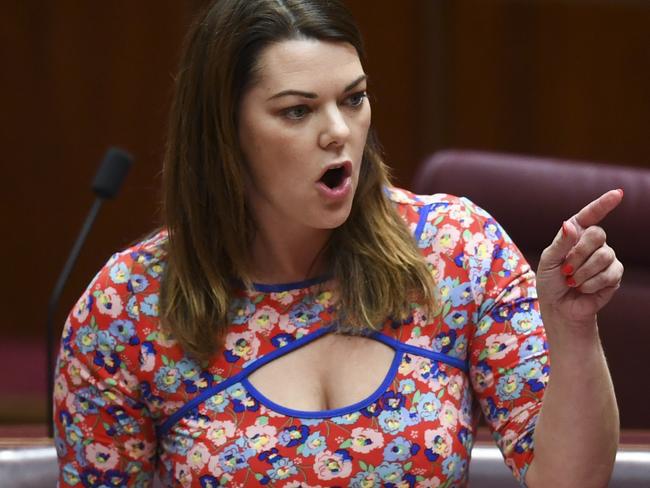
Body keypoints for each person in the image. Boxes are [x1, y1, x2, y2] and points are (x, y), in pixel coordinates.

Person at [53, 0, 623, 486]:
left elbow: (569, 479)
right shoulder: (126, 308)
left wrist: (572, 331)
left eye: (353, 99)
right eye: (297, 111)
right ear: (224, 132)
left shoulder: (458, 249)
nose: (339, 132)